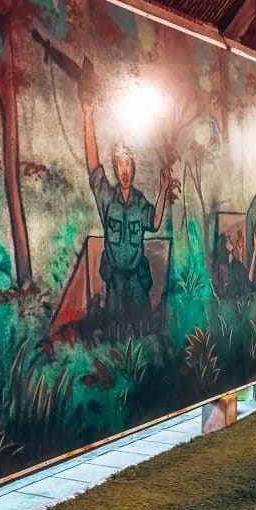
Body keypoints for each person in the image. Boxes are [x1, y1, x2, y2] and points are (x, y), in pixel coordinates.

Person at [80, 82, 179, 333]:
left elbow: (154, 221)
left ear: (133, 169)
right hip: (114, 280)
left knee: (143, 331)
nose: (125, 170)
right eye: (120, 165)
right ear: (116, 168)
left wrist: (163, 190)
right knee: (115, 332)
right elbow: (93, 167)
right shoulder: (107, 199)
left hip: (136, 280)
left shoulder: (139, 202)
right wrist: (88, 114)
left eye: (128, 165)